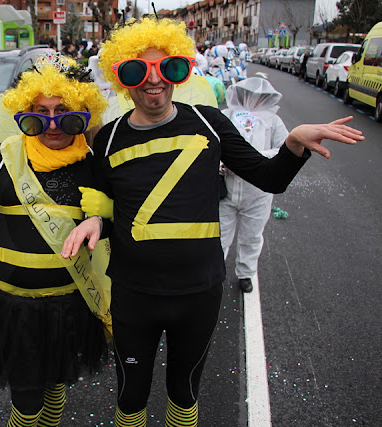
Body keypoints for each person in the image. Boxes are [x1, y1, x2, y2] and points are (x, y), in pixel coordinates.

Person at [61, 17, 363, 426]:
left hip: (197, 294)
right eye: (137, 70)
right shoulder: (110, 137)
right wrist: (96, 221)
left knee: (183, 393)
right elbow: (108, 209)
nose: (154, 81)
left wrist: (292, 144)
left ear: (183, 71)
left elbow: (269, 178)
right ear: (121, 77)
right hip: (134, 295)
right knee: (130, 397)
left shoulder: (209, 122)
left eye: (169, 68)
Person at [0, 53, 109, 426]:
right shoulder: (3, 157)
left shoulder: (95, 161)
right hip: (17, 309)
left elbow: (119, 224)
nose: (51, 124)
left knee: (55, 391)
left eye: (64, 112)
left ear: (83, 111)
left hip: (69, 304)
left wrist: (103, 214)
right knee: (27, 405)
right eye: (39, 113)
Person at [219, 78, 289, 293]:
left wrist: (254, 159)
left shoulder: (273, 121)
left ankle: (245, 274)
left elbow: (283, 149)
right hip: (225, 190)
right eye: (248, 94)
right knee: (219, 236)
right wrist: (220, 163)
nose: (253, 99)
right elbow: (210, 145)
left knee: (251, 237)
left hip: (258, 192)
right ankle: (215, 274)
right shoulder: (226, 116)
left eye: (259, 96)